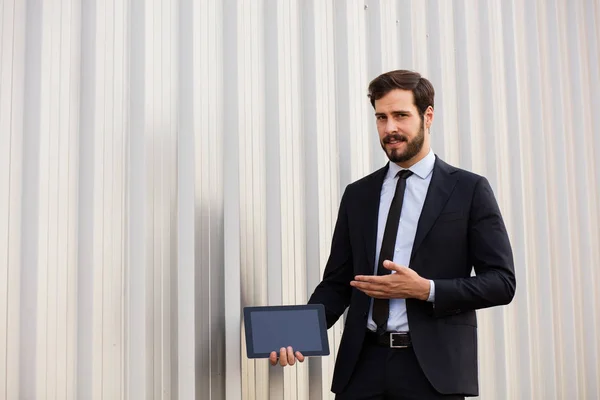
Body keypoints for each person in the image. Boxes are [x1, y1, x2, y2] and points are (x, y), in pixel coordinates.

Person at [270, 69, 516, 399]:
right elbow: (339, 282)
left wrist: (425, 289)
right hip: (362, 368)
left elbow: (501, 282)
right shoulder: (358, 194)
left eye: (401, 115)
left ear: (428, 116)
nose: (390, 129)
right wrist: (296, 335)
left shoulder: (469, 190)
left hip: (431, 373)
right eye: (381, 117)